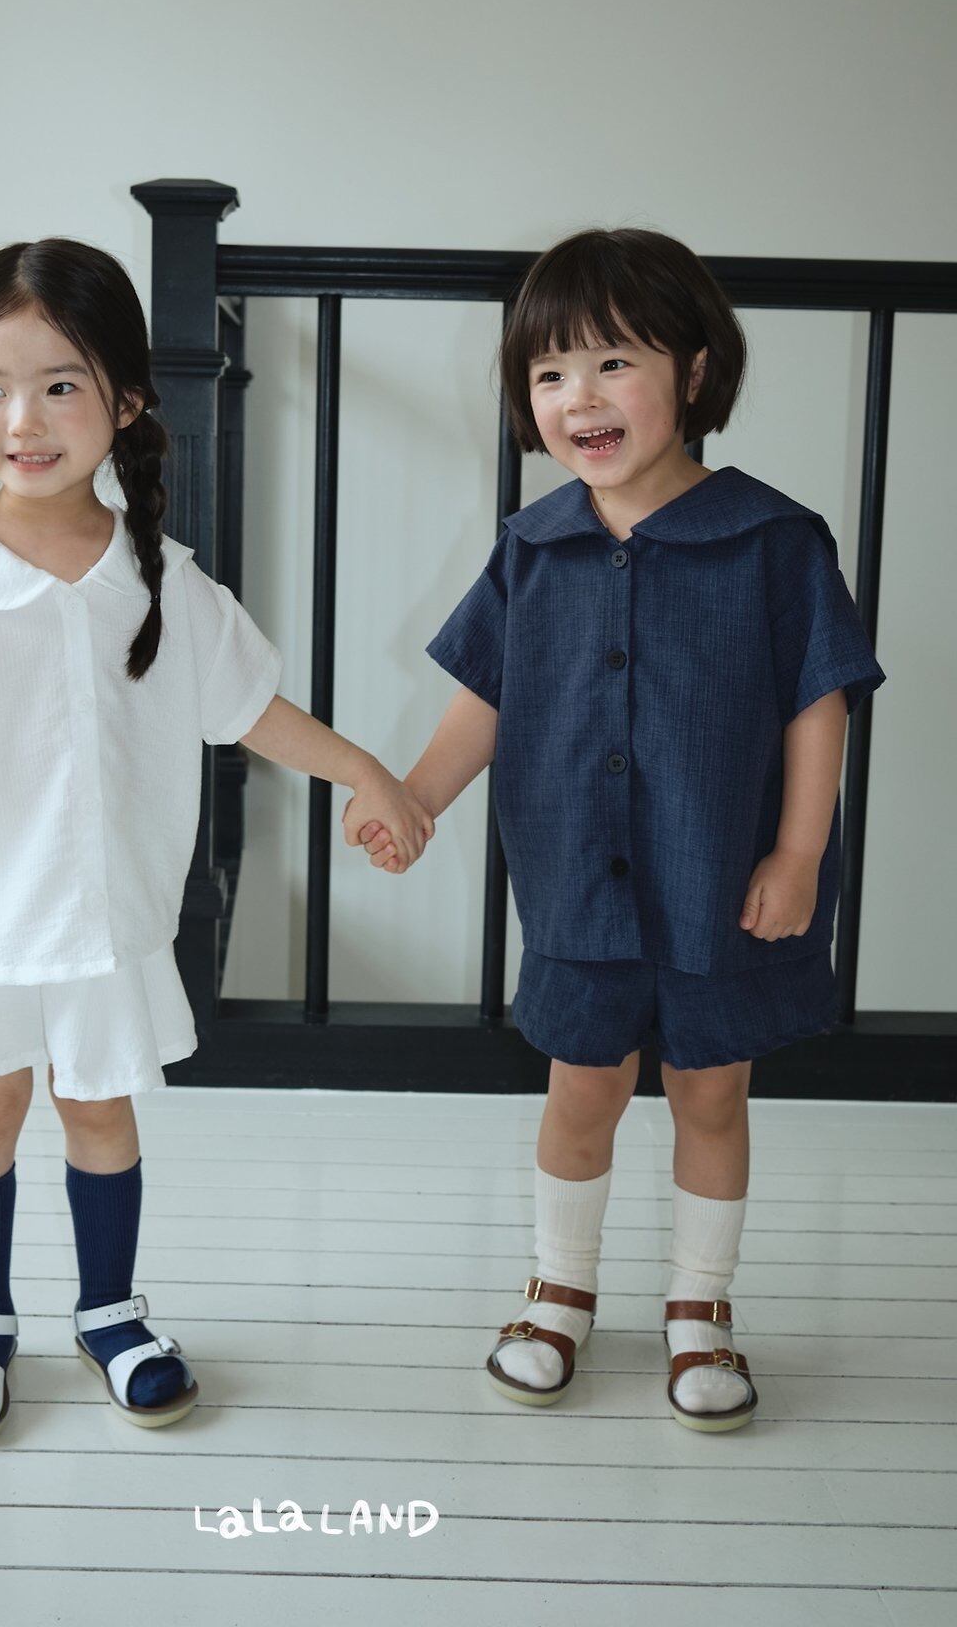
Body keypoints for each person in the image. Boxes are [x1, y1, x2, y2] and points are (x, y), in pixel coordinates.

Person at [0, 236, 433, 1445]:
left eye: (59, 385)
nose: (23, 419)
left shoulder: (163, 582)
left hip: (105, 919)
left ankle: (109, 1311)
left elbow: (249, 709)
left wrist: (363, 769)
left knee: (101, 1112)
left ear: (124, 403)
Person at [353, 227, 886, 1432]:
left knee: (710, 1092)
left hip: (722, 879)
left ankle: (700, 1306)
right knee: (580, 1086)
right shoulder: (531, 545)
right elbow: (483, 697)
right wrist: (417, 797)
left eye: (610, 363)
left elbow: (817, 704)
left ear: (691, 372)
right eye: (548, 373)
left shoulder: (773, 541)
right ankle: (558, 1291)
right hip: (576, 885)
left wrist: (797, 854)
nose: (577, 398)